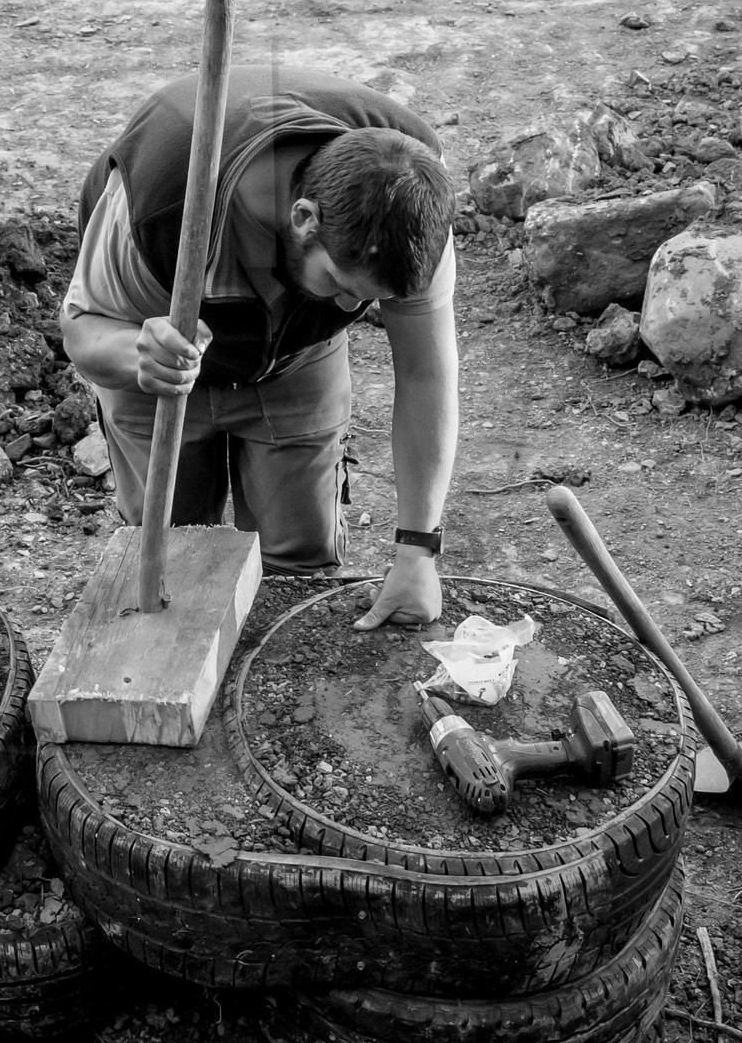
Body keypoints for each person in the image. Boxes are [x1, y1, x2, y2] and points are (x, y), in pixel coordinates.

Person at [61, 73, 457, 630]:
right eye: (342, 283)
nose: (351, 308)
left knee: (299, 570)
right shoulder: (163, 198)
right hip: (155, 355)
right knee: (167, 556)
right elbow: (81, 332)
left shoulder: (414, 202)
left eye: (371, 299)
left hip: (293, 358)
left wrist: (417, 550)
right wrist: (137, 355)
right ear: (303, 219)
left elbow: (425, 374)